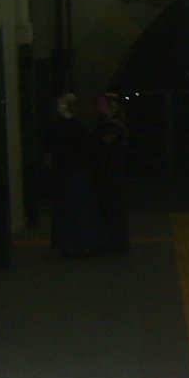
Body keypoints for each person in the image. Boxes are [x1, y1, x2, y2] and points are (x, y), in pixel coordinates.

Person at [42, 93, 104, 257]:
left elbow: (46, 145)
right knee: (80, 208)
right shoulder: (78, 126)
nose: (58, 107)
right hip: (77, 171)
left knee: (64, 209)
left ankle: (67, 243)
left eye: (61, 104)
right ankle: (83, 242)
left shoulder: (56, 126)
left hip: (62, 171)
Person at [94, 94, 130, 254]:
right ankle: (115, 242)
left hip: (110, 172)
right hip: (113, 171)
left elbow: (103, 143)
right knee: (113, 207)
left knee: (111, 207)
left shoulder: (112, 126)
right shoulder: (116, 124)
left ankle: (113, 242)